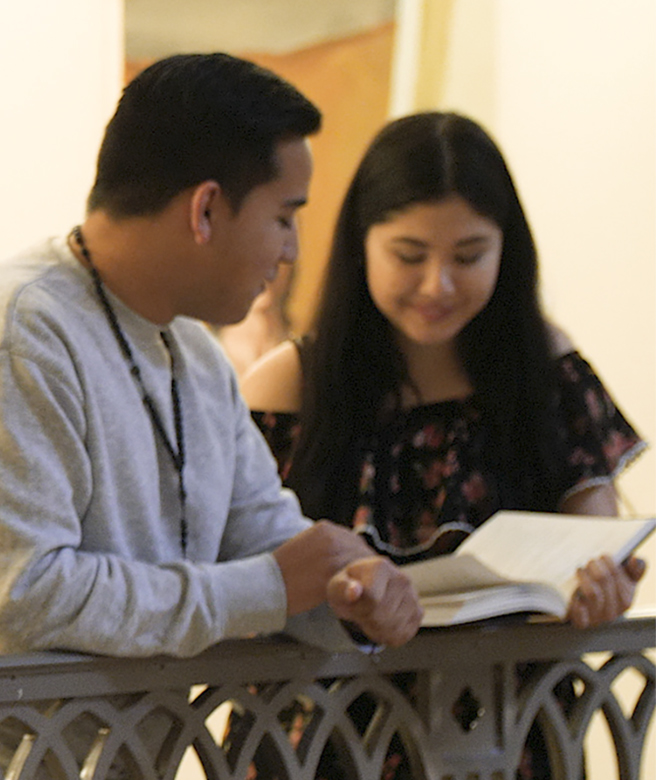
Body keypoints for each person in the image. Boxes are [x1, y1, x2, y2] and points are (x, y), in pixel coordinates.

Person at [0, 55, 425, 775]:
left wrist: (352, 595)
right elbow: (23, 598)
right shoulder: (10, 332)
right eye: (285, 218)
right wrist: (271, 587)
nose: (290, 252)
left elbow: (261, 540)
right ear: (206, 210)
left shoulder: (195, 353)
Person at [236, 111, 645, 779]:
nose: (437, 286)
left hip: (506, 736)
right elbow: (242, 571)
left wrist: (598, 589)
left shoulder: (543, 365)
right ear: (360, 242)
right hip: (323, 739)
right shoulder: (291, 383)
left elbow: (591, 541)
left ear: (506, 249)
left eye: (468, 256)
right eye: (409, 255)